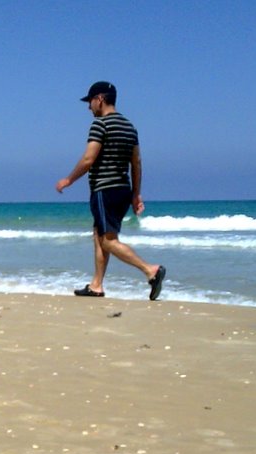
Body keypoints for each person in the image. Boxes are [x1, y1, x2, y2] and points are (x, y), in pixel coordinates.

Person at [56, 81, 166, 300]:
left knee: (108, 240)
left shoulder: (100, 125)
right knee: (99, 235)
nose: (89, 107)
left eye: (90, 102)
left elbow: (88, 159)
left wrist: (68, 180)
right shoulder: (130, 127)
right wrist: (136, 194)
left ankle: (150, 270)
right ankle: (96, 285)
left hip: (104, 189)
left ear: (100, 99)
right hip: (123, 190)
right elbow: (136, 163)